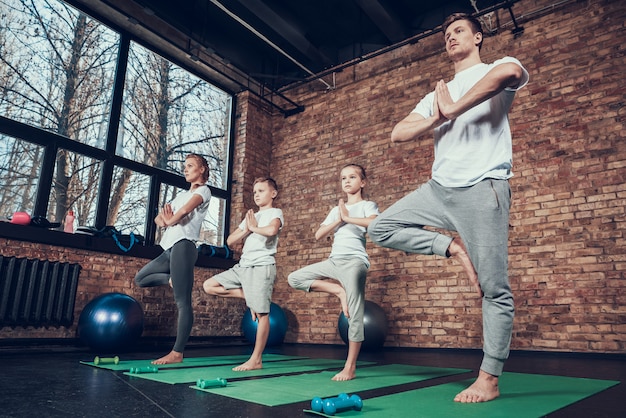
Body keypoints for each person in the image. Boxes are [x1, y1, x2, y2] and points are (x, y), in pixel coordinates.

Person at [368, 13, 529, 403]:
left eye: (458, 31)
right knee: (380, 227)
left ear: (477, 38)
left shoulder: (495, 68)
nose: (450, 38)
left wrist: (455, 108)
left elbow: (510, 72)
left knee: (494, 289)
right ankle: (452, 247)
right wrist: (439, 113)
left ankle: (489, 377)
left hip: (483, 189)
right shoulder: (436, 93)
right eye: (445, 34)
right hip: (438, 191)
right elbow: (398, 133)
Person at [289, 164, 379, 381]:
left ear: (363, 182)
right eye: (343, 178)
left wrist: (349, 218)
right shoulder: (335, 210)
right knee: (294, 278)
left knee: (355, 313)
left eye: (352, 177)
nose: (347, 181)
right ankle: (338, 291)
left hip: (355, 262)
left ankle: (350, 366)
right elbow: (319, 234)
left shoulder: (367, 205)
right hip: (334, 261)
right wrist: (339, 218)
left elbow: (375, 223)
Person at [134, 153, 212, 365]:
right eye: (184, 166)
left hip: (184, 246)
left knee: (182, 302)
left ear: (202, 169)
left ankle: (177, 352)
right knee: (140, 279)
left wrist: (170, 220)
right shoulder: (179, 196)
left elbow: (186, 211)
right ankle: (170, 279)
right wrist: (166, 220)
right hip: (169, 248)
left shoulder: (204, 190)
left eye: (190, 166)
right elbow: (159, 218)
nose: (185, 170)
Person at [203, 177, 284, 371]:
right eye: (255, 191)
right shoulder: (250, 217)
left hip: (262, 266)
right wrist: (247, 228)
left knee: (262, 313)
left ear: (273, 193)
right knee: (209, 286)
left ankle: (256, 359)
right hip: (243, 266)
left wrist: (254, 227)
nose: (256, 195)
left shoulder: (276, 212)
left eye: (261, 191)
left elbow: (272, 230)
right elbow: (230, 241)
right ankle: (250, 297)